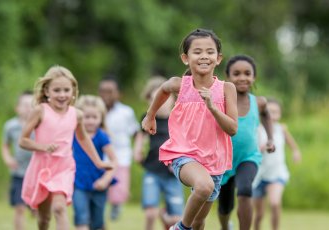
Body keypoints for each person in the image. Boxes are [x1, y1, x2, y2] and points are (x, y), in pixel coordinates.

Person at [142, 28, 238, 230]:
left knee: (199, 221)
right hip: (184, 154)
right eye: (197, 51)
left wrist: (212, 107)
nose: (204, 56)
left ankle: (187, 226)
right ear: (186, 58)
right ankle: (179, 228)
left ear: (218, 58)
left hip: (214, 161)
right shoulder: (180, 85)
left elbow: (232, 129)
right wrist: (150, 116)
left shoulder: (226, 89)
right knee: (204, 187)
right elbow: (163, 89)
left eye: (210, 52)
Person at [19, 66, 112, 230]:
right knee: (44, 218)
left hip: (64, 167)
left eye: (66, 90)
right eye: (57, 90)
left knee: (60, 208)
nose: (62, 95)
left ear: (73, 91)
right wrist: (43, 147)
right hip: (42, 167)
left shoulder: (76, 114)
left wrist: (98, 162)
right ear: (47, 91)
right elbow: (23, 141)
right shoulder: (40, 111)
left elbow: (83, 138)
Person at [217, 54, 276, 230]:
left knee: (245, 191)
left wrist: (270, 138)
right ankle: (225, 225)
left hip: (248, 157)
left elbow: (266, 115)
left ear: (253, 77)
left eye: (247, 73)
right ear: (228, 77)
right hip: (223, 159)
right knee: (225, 206)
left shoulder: (259, 102)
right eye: (236, 74)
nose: (242, 77)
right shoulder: (222, 101)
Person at [134, 76, 184, 230]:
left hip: (172, 174)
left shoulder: (177, 119)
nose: (161, 102)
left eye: (164, 98)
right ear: (149, 100)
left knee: (176, 218)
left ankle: (166, 217)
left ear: (172, 98)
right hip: (152, 171)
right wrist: (136, 151)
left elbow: (184, 142)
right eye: (154, 98)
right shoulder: (147, 118)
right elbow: (140, 137)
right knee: (150, 213)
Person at [252, 98, 302, 230]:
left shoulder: (282, 129)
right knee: (259, 214)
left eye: (276, 112)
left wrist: (295, 152)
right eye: (270, 111)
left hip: (277, 173)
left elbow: (293, 145)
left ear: (280, 114)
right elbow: (252, 149)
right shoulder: (257, 129)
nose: (273, 115)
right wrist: (262, 148)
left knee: (275, 203)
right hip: (258, 175)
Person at [72, 95, 118, 230]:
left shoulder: (101, 136)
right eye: (87, 117)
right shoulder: (73, 134)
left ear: (101, 118)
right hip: (78, 183)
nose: (90, 121)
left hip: (98, 184)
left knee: (97, 223)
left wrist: (106, 180)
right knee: (81, 218)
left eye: (94, 117)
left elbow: (114, 161)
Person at [98, 76, 140, 220]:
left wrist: (138, 149)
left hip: (121, 155)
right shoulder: (96, 111)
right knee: (100, 185)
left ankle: (116, 205)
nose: (106, 95)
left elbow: (135, 132)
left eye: (110, 91)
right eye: (103, 91)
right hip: (100, 156)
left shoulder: (126, 112)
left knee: (119, 186)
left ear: (118, 93)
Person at [1, 90, 34, 230]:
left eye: (31, 104)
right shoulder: (10, 126)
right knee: (19, 207)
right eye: (24, 104)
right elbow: (5, 145)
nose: (27, 108)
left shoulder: (39, 125)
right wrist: (8, 158)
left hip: (36, 173)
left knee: (36, 208)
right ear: (17, 108)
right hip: (18, 173)